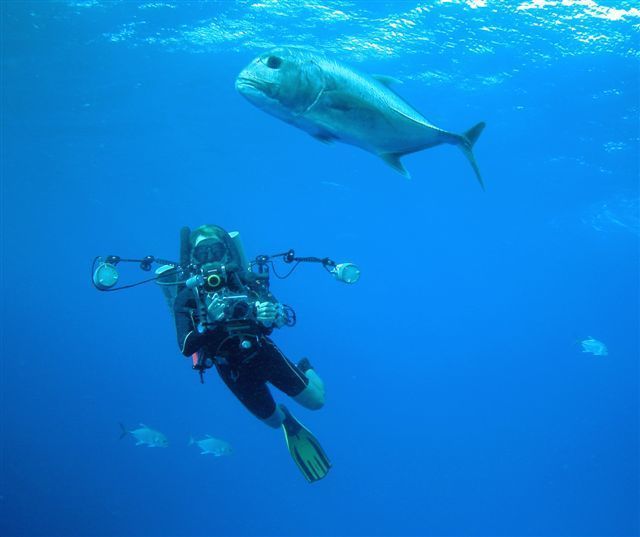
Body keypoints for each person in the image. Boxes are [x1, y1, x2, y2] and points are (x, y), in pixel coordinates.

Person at [172, 224, 330, 483]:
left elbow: (274, 320)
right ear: (193, 258)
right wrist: (210, 323)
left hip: (263, 354)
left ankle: (304, 367)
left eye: (216, 250)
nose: (210, 258)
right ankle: (286, 418)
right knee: (274, 422)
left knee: (317, 402)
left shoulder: (245, 281)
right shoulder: (187, 297)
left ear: (227, 252)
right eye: (202, 252)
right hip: (232, 370)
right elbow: (186, 347)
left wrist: (270, 316)